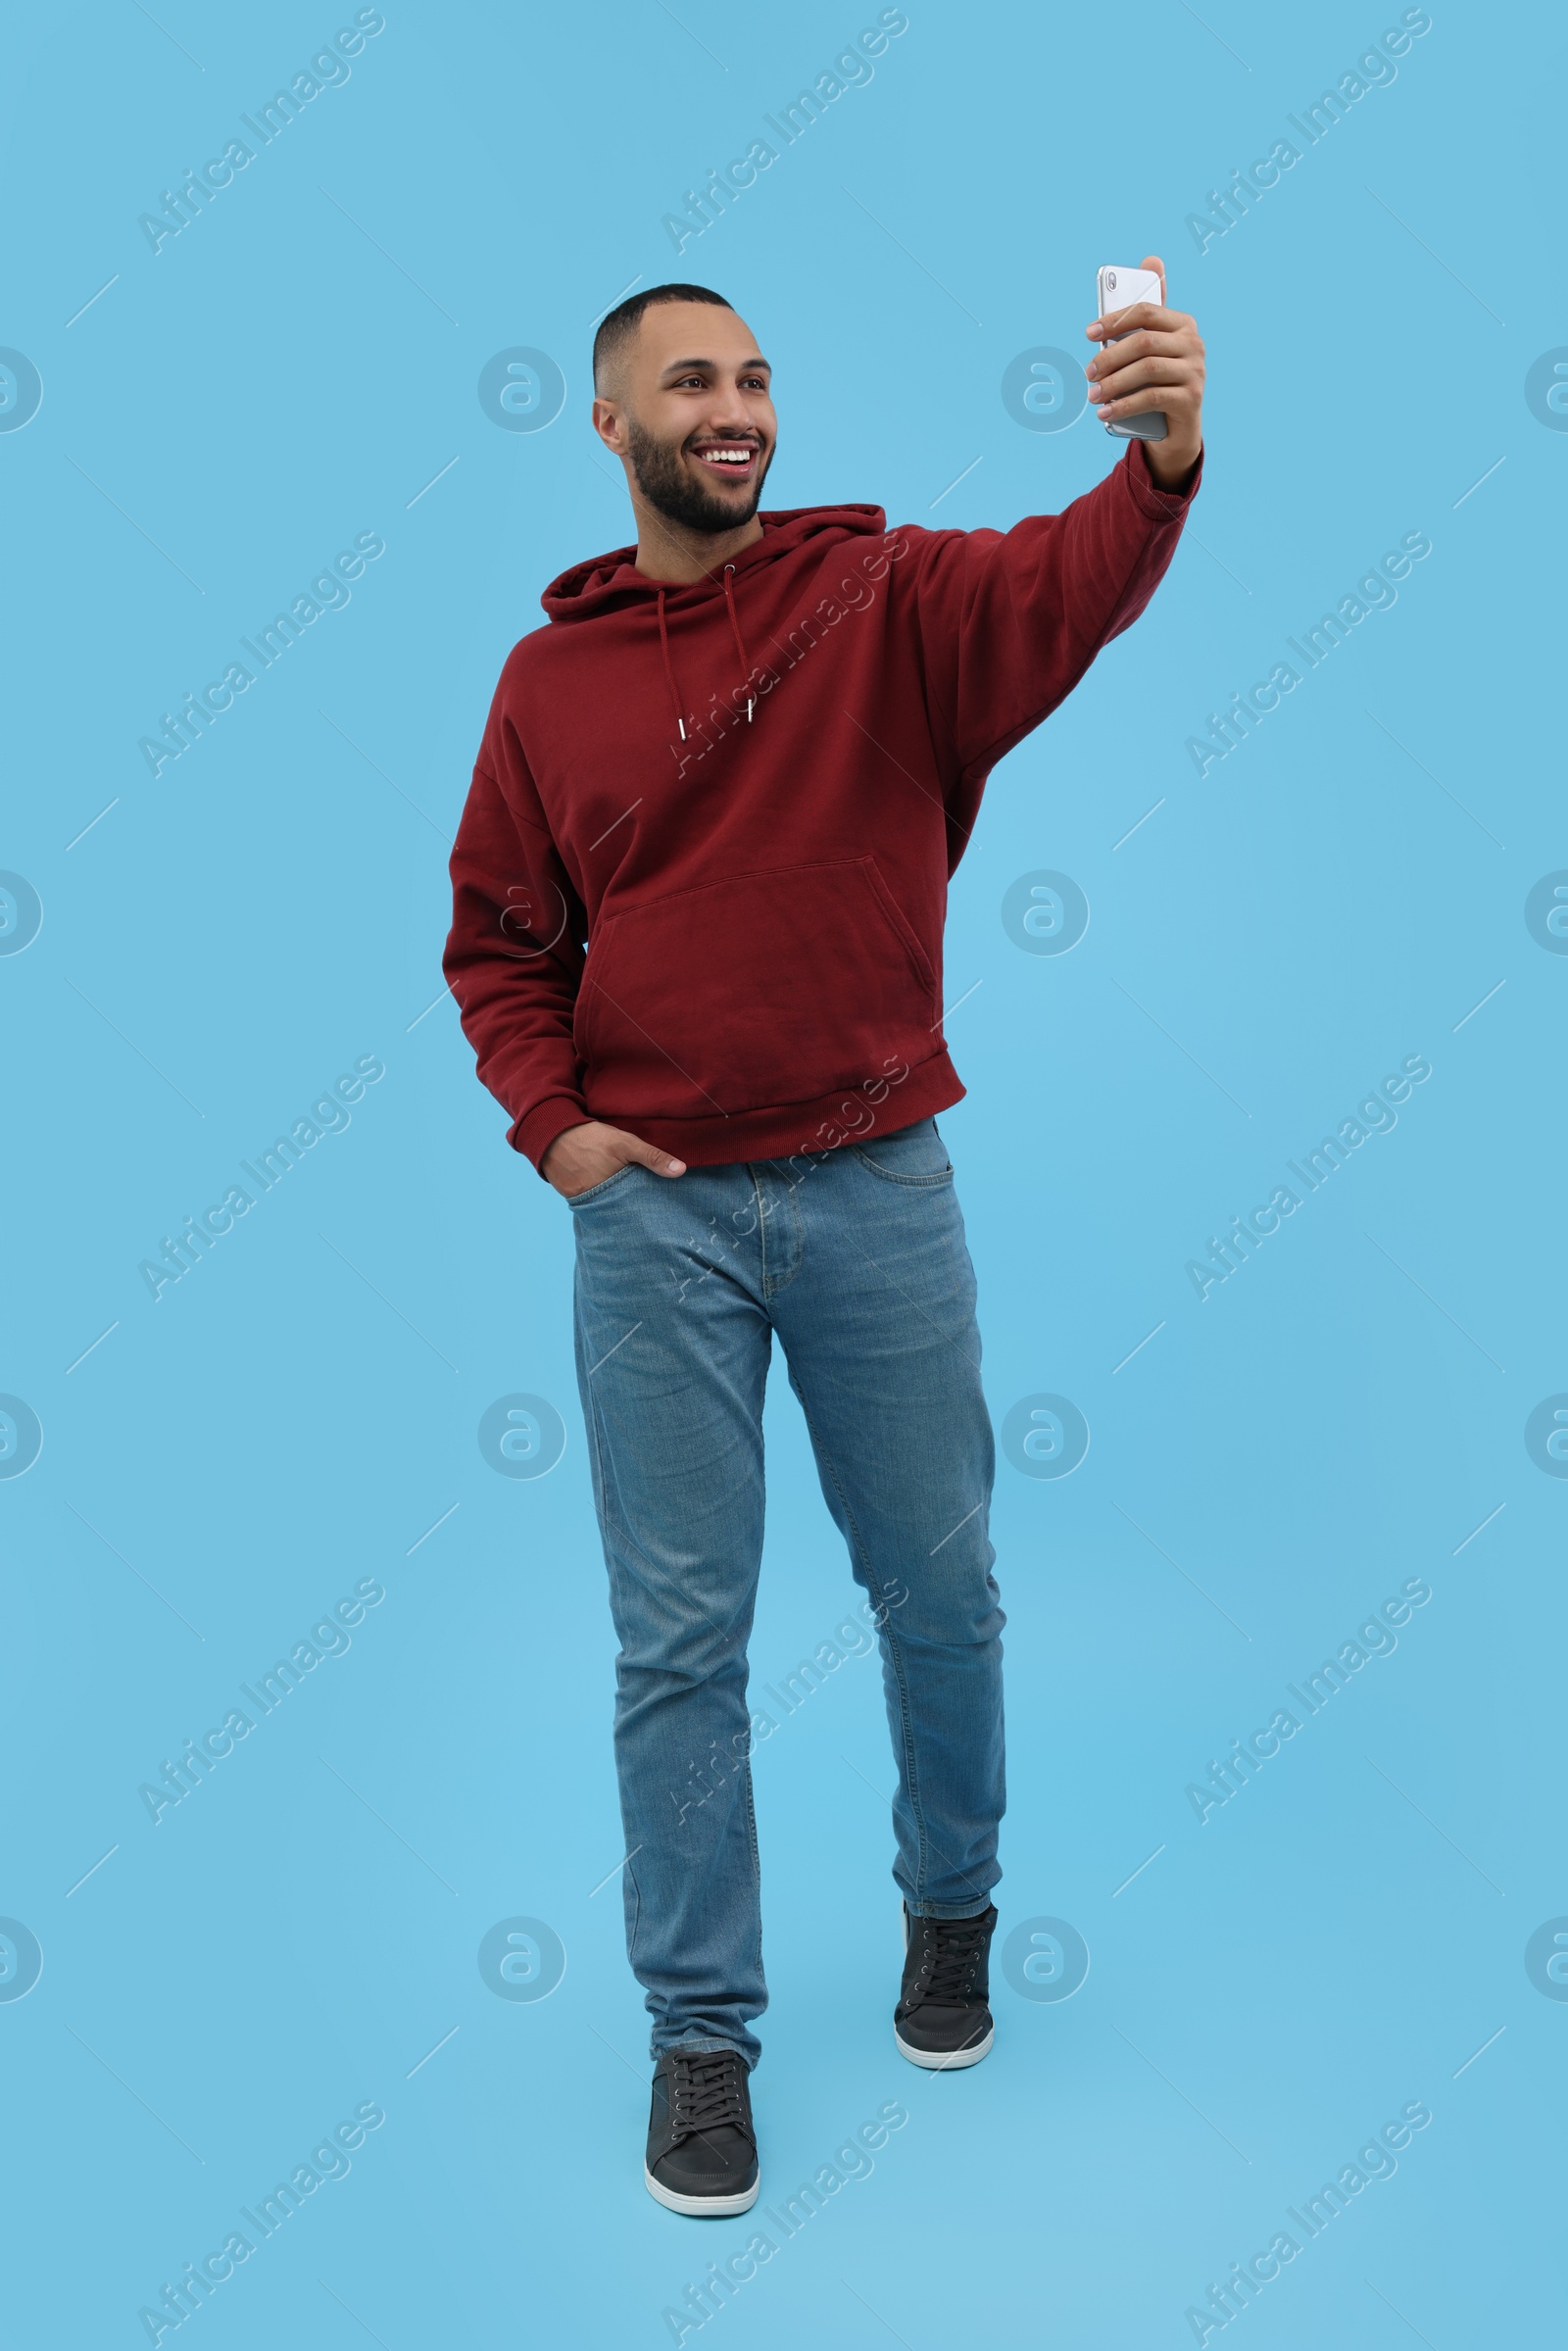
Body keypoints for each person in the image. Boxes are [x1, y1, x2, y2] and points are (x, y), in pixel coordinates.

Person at [444, 269, 1204, 2215]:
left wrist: (1161, 456)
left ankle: (950, 1908)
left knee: (941, 1594)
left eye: (756, 378)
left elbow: (1065, 581)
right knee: (677, 1646)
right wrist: (557, 1136)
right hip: (659, 1228)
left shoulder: (879, 604)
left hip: (878, 1187)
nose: (734, 406)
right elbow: (497, 946)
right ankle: (701, 2046)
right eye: (688, 381)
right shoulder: (547, 689)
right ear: (609, 426)